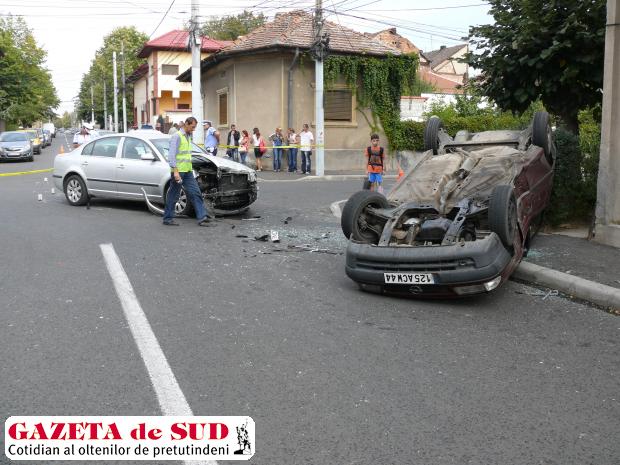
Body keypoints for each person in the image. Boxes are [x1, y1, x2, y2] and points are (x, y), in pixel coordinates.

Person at [163, 116, 212, 227]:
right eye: (192, 127)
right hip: (178, 172)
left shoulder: (188, 136)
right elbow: (171, 155)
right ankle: (168, 218)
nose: (193, 129)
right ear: (186, 124)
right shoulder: (177, 136)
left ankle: (202, 218)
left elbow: (186, 155)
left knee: (196, 193)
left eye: (194, 127)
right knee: (174, 195)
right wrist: (175, 172)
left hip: (188, 171)